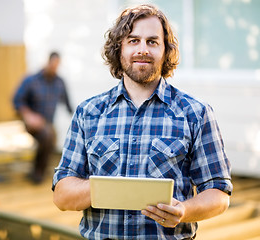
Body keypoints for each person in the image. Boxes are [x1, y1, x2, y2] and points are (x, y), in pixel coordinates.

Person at [52, 4, 232, 240]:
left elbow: (219, 194)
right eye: (133, 40)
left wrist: (184, 211)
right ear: (119, 49)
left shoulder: (195, 113)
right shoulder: (89, 112)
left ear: (166, 51)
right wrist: (105, 188)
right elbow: (62, 196)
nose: (142, 49)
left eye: (152, 42)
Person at [13, 52, 73, 184]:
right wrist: (28, 115)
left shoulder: (59, 82)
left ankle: (38, 171)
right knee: (48, 136)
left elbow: (68, 105)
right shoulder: (31, 80)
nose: (54, 68)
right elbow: (17, 100)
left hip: (47, 124)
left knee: (50, 137)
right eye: (52, 64)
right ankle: (37, 174)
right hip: (31, 121)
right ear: (47, 62)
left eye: (57, 65)